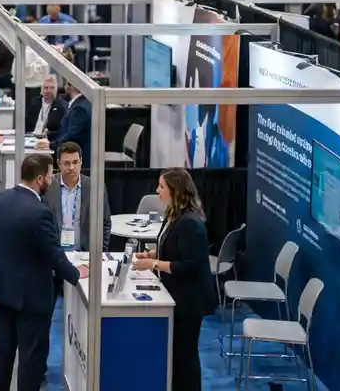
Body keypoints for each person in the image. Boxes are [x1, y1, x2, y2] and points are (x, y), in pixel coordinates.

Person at [0, 153, 88, 391]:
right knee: (31, 358)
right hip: (31, 298)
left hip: (2, 289)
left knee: (4, 350)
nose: (52, 180)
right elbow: (54, 256)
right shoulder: (39, 212)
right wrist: (76, 273)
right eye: (51, 175)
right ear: (40, 179)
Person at [131, 169, 213, 391]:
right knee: (176, 354)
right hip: (177, 295)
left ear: (174, 191)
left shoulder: (190, 223)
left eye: (161, 187)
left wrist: (153, 264)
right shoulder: (173, 214)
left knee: (185, 356)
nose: (157, 191)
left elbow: (189, 266)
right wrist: (151, 255)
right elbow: (172, 248)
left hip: (190, 301)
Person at [44, 142, 111, 253]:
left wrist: (100, 252)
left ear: (81, 162)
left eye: (75, 162)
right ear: (58, 164)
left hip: (84, 255)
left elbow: (105, 223)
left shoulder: (95, 187)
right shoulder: (48, 186)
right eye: (66, 163)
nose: (71, 168)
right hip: (54, 254)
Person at [56, 79, 92, 162]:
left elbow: (71, 135)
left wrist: (51, 145)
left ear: (69, 86)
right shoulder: (83, 103)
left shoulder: (79, 108)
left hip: (77, 158)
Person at [25, 74, 68, 139]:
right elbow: (26, 123)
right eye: (46, 88)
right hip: (30, 137)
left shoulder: (61, 106)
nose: (48, 91)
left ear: (56, 90)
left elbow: (62, 130)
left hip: (48, 140)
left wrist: (49, 133)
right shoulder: (34, 102)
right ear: (41, 90)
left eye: (52, 88)